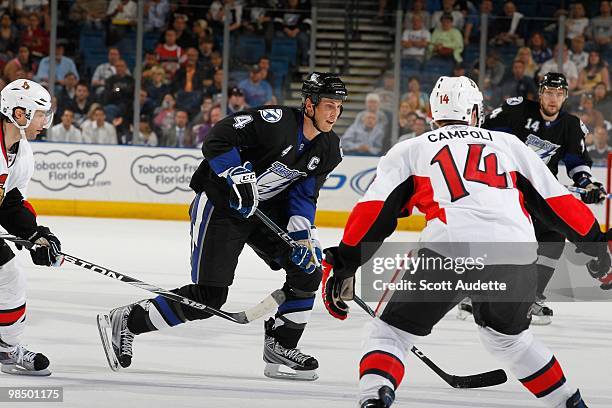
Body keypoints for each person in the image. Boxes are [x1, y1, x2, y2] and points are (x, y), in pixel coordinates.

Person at [320, 75, 611, 408]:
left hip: (448, 249)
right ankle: (571, 404)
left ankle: (374, 399)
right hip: (515, 255)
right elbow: (558, 203)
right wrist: (595, 248)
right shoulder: (508, 144)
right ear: (475, 111)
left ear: (433, 112)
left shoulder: (412, 148)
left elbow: (373, 213)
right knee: (511, 342)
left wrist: (343, 264)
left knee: (389, 334)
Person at [97, 72, 348, 381]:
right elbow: (218, 137)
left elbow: (304, 195)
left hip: (263, 212)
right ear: (309, 104)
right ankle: (128, 320)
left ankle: (281, 346)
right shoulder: (276, 123)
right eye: (328, 105)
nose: (334, 113)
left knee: (308, 270)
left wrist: (303, 238)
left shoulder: (329, 148)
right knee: (207, 298)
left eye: (338, 106)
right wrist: (236, 175)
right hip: (222, 207)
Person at [478, 72, 606, 325]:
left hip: (541, 194)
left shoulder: (571, 126)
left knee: (552, 236)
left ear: (566, 96)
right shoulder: (516, 111)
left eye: (559, 94)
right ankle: (475, 295)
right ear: (540, 93)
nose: (553, 99)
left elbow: (576, 162)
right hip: (507, 189)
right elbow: (482, 135)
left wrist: (587, 184)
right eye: (549, 92)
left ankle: (532, 297)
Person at [0, 79, 63, 376]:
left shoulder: (21, 152)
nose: (44, 122)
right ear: (19, 113)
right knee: (8, 276)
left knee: (10, 278)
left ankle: (6, 350)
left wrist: (35, 234)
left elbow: (10, 202)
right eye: (40, 114)